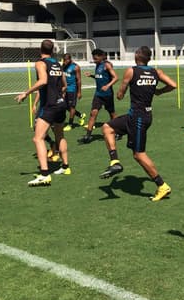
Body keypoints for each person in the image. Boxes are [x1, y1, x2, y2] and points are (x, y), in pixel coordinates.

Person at [99, 46, 177, 202]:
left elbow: (120, 94)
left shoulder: (131, 71)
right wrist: (159, 91)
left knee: (139, 154)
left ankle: (162, 185)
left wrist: (120, 93)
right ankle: (115, 162)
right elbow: (173, 85)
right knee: (107, 127)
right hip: (139, 115)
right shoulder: (157, 72)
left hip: (138, 118)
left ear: (136, 56)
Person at [16, 39, 70, 186]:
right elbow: (64, 85)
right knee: (60, 135)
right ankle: (65, 167)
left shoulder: (40, 63)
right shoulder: (57, 64)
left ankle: (44, 174)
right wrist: (58, 94)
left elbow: (43, 81)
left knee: (38, 138)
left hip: (50, 105)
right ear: (52, 50)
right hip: (60, 104)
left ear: (40, 49)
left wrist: (25, 93)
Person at [80, 49, 118, 144]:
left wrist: (108, 86)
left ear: (101, 56)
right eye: (93, 58)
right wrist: (92, 76)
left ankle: (118, 131)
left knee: (112, 114)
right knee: (93, 113)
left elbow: (116, 77)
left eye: (96, 58)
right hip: (98, 94)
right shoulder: (97, 65)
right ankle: (88, 135)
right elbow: (100, 77)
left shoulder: (107, 65)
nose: (94, 59)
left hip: (108, 94)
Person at [62, 53, 86, 131]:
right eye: (64, 60)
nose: (65, 62)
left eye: (66, 60)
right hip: (65, 89)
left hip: (72, 89)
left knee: (72, 107)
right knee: (65, 106)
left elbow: (79, 80)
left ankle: (70, 124)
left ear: (70, 59)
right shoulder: (63, 66)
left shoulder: (75, 67)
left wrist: (79, 92)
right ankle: (80, 115)